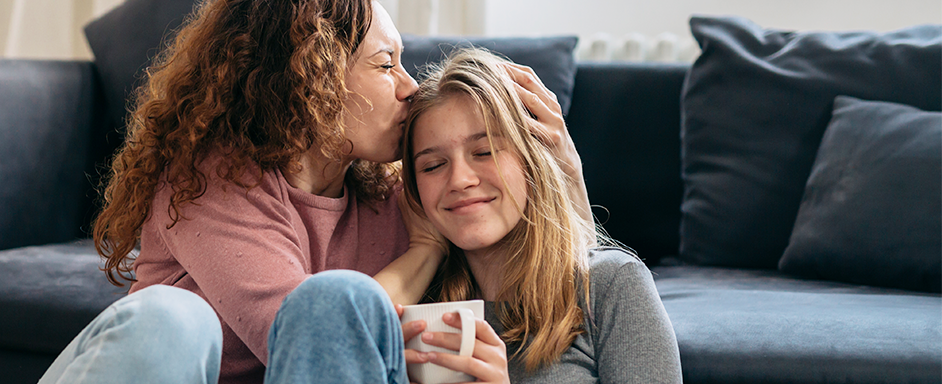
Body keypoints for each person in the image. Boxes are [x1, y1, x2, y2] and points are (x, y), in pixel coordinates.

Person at [43, 0, 446, 383]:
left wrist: (504, 99)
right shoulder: (208, 178)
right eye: (385, 64)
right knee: (174, 317)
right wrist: (425, 250)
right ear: (312, 75)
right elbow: (312, 336)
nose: (410, 86)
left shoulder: (400, 192)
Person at [391, 47, 682, 383]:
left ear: (532, 161)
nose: (459, 180)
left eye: (485, 151)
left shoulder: (611, 286)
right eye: (433, 165)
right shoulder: (419, 302)